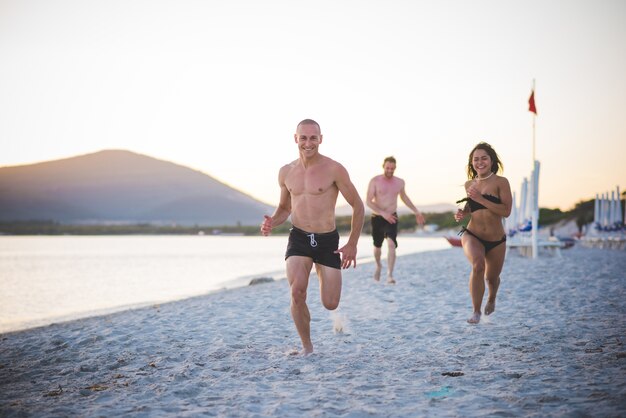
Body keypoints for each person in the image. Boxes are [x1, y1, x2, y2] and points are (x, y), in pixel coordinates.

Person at [261, 119, 364, 355]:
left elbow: (358, 206)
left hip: (327, 240)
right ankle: (307, 347)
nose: (308, 143)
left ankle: (320, 269)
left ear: (321, 139)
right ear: (295, 139)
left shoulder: (334, 169)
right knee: (297, 291)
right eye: (304, 137)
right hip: (298, 238)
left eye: (313, 138)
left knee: (330, 303)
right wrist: (271, 223)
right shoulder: (286, 172)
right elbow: (284, 208)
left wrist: (352, 244)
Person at [454, 142, 512, 324]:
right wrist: (463, 212)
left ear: (492, 160)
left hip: (496, 240)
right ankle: (476, 311)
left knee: (492, 278)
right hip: (473, 234)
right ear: (471, 163)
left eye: (484, 158)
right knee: (478, 265)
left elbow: (506, 211)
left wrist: (480, 198)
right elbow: (472, 206)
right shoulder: (469, 184)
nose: (480, 162)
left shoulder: (501, 182)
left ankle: (492, 298)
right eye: (476, 159)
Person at [365, 156, 425, 284]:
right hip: (378, 217)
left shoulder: (399, 182)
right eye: (388, 168)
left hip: (392, 217)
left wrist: (416, 211)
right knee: (377, 247)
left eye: (392, 168)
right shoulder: (375, 181)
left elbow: (404, 197)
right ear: (383, 167)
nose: (390, 170)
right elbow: (368, 201)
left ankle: (389, 275)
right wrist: (382, 213)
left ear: (395, 168)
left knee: (392, 244)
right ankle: (378, 265)